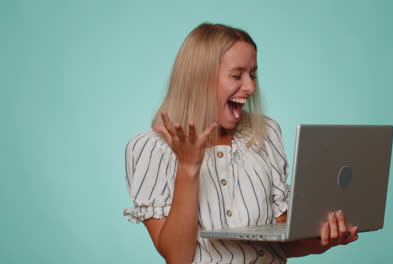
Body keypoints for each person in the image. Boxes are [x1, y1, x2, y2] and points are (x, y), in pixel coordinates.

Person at [123, 23, 358, 264]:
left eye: (252, 74)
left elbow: (282, 244)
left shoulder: (265, 134)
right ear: (198, 79)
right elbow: (178, 257)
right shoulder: (152, 149)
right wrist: (188, 167)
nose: (251, 87)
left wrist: (322, 241)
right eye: (237, 75)